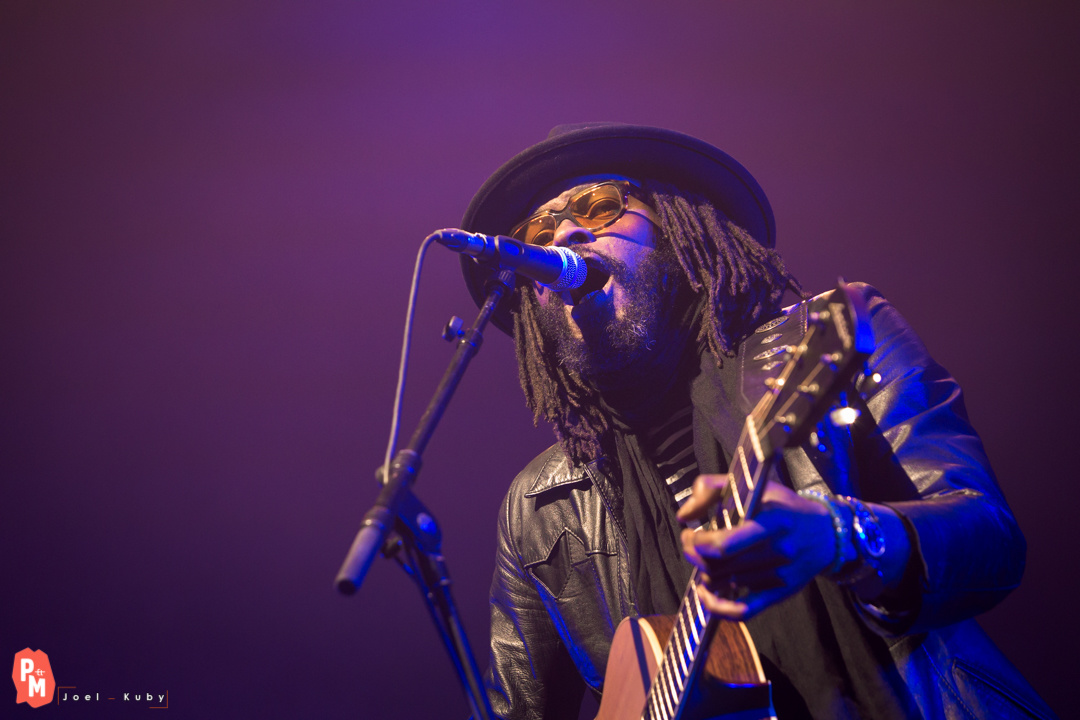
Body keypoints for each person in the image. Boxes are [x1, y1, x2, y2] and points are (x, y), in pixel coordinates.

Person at [452, 123, 1054, 719]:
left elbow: (990, 539)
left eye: (600, 205)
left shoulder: (819, 347)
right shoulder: (537, 510)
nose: (565, 233)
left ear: (678, 227)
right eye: (538, 231)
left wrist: (841, 538)